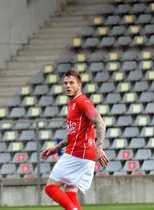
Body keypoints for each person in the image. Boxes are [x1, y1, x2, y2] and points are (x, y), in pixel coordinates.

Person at [40, 69, 109, 210]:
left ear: (80, 85)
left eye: (72, 82)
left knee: (50, 188)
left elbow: (100, 122)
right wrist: (57, 147)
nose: (68, 86)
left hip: (78, 154)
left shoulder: (83, 102)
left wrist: (99, 147)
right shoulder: (72, 104)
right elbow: (73, 133)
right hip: (85, 156)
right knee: (70, 194)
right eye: (65, 83)